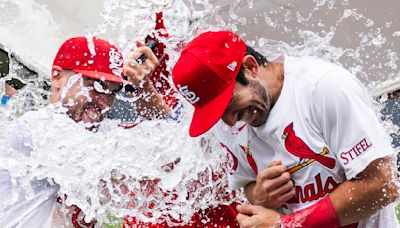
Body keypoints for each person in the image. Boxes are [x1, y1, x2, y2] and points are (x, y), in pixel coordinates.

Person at [171, 30, 399, 227]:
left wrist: (285, 224)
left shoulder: (324, 87)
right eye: (218, 114)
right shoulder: (234, 121)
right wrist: (258, 195)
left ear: (250, 67)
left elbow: (382, 184)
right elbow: (245, 186)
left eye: (229, 105)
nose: (231, 121)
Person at [0, 35, 167, 227]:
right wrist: (148, 96)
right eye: (96, 85)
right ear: (57, 76)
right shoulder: (39, 128)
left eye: (113, 92)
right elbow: (158, 162)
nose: (105, 102)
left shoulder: (93, 136)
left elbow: (168, 159)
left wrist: (144, 88)